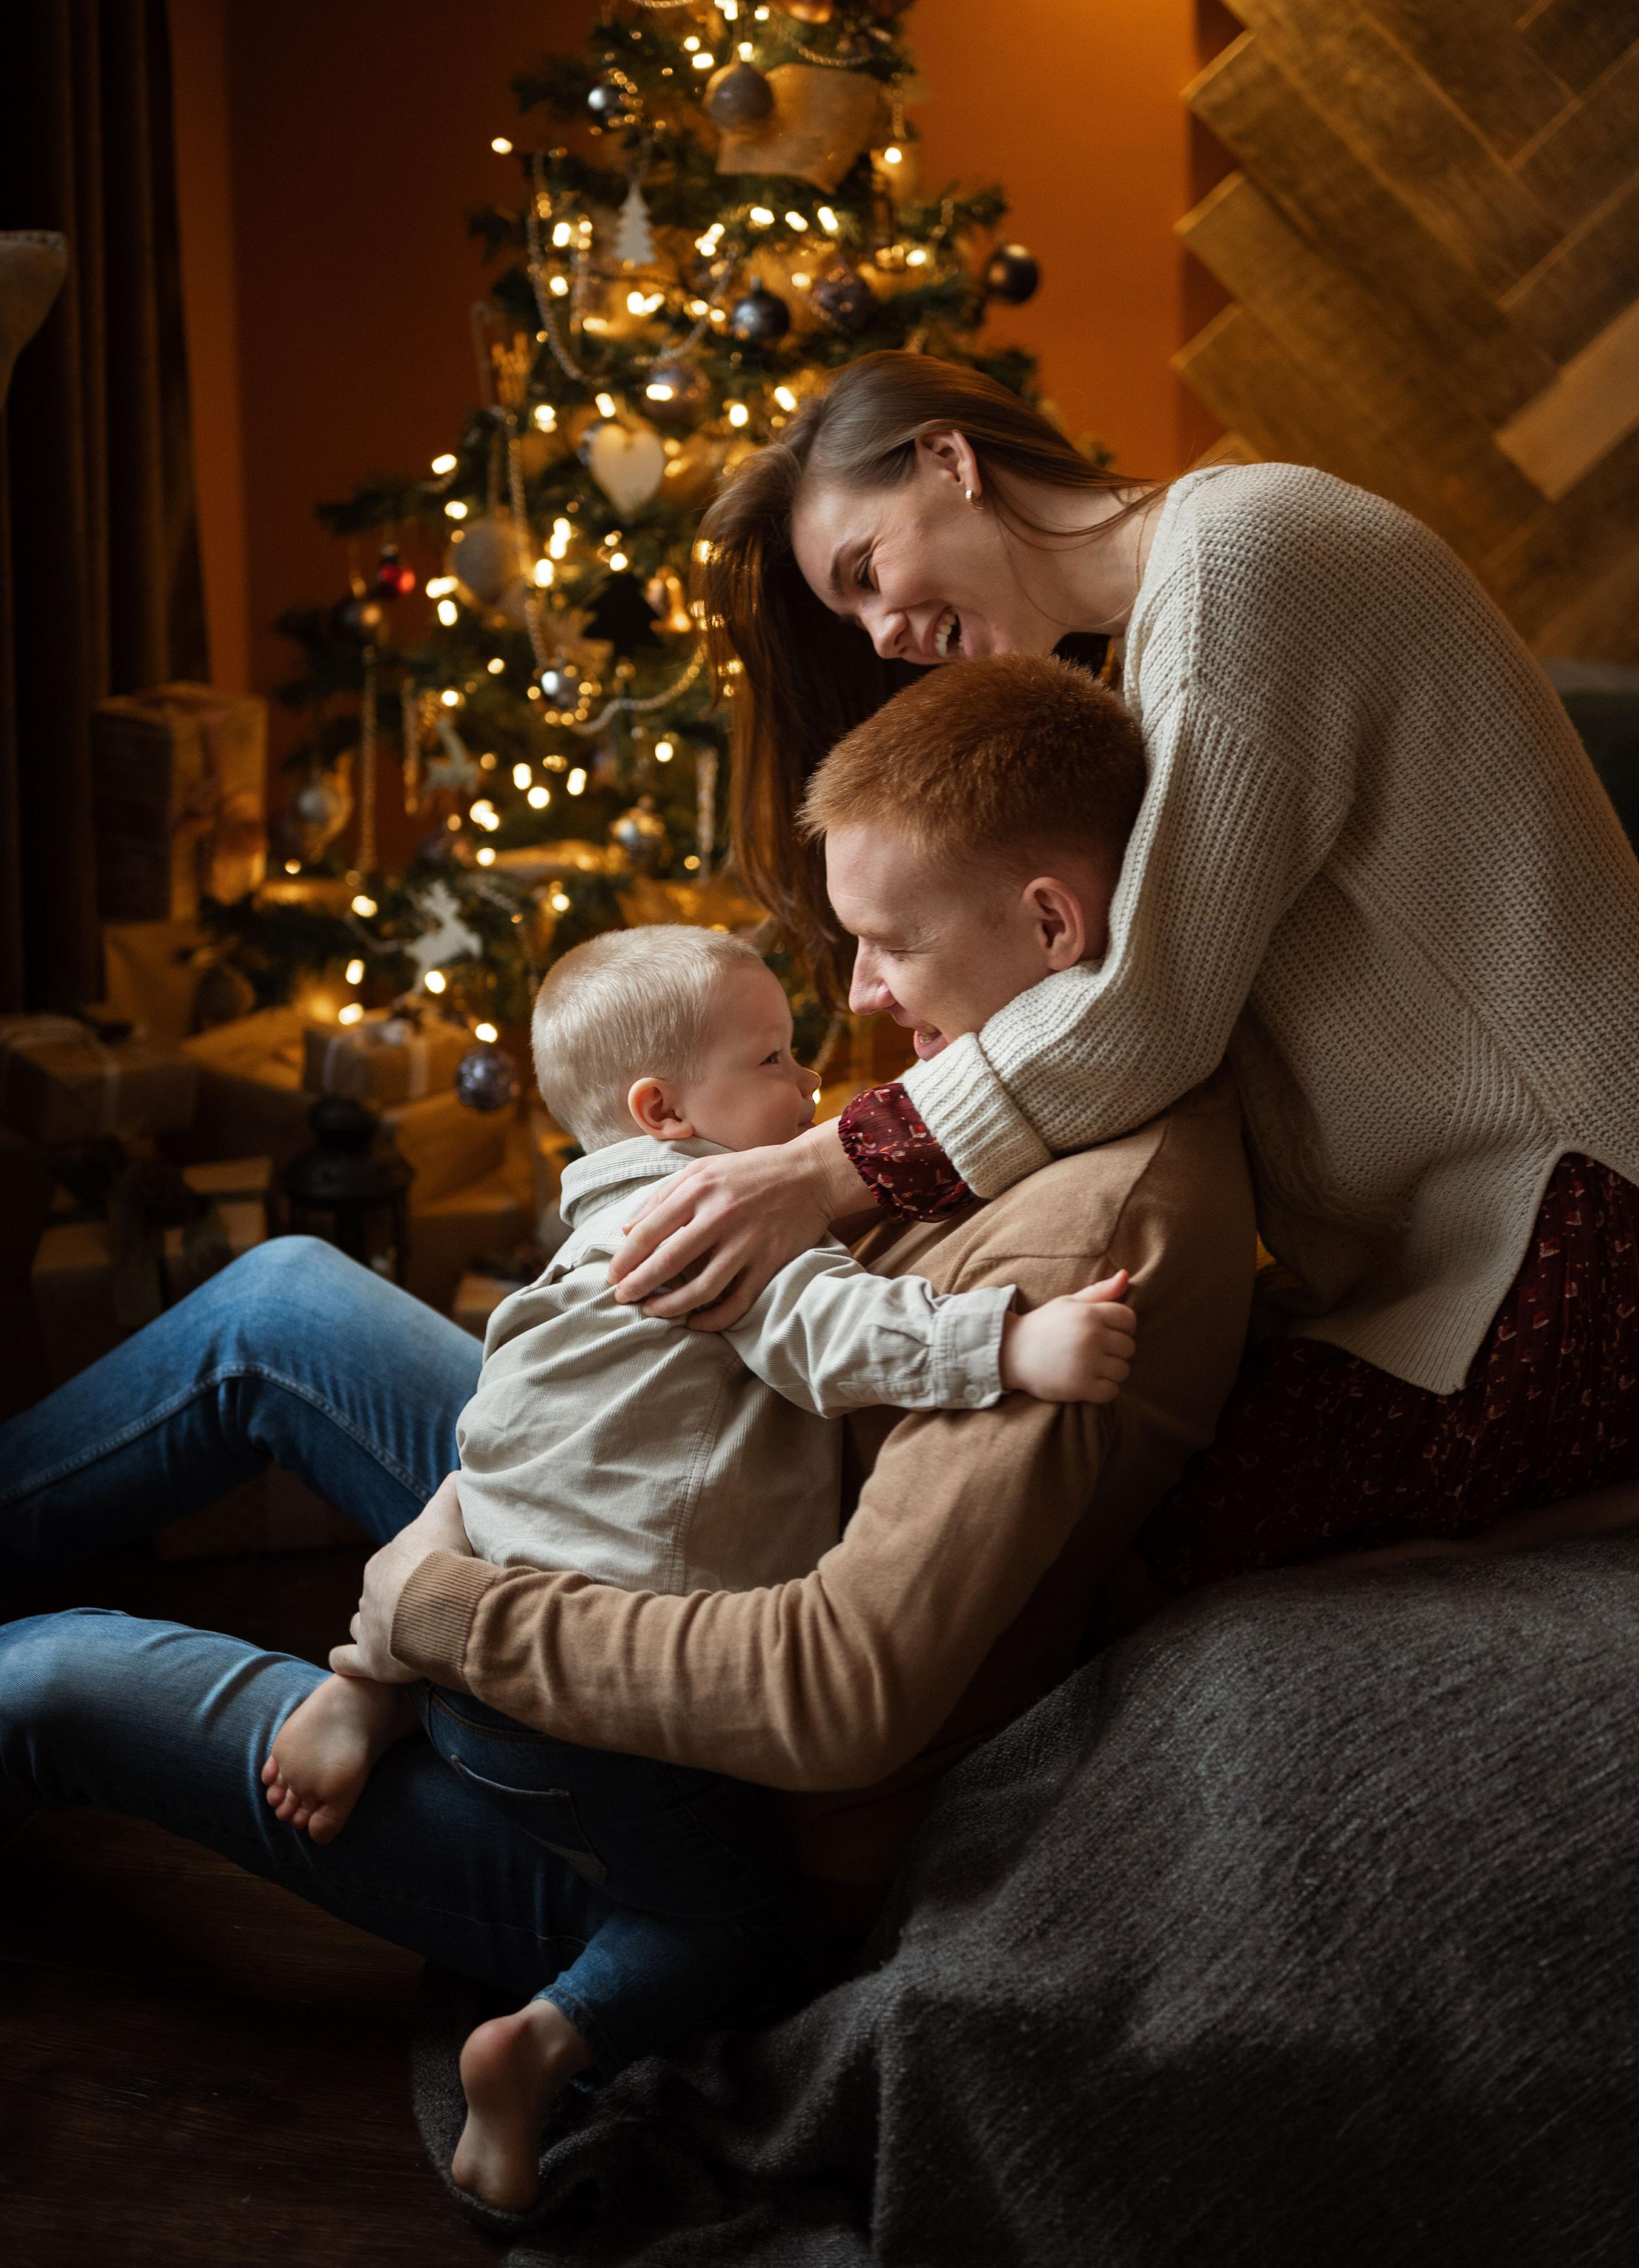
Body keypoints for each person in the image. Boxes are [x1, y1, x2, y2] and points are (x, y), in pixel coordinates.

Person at [0, 655, 1254, 2213]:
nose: (857, 995)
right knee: (282, 1304)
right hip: (682, 1485)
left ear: (1054, 928)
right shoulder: (1016, 1077)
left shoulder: (1083, 1244)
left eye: (885, 943)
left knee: (44, 1674)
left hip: (704, 1820)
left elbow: (840, 1689)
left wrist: (431, 1604)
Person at [605, 350, 1639, 1575]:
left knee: (1126, 1542)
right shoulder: (1157, 638)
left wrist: (809, 1174)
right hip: (1451, 1249)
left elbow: (1141, 1015)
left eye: (867, 571)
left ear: (951, 458)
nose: (883, 636)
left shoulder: (1243, 559)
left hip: (1577, 1228)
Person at [260, 919, 1137, 2205]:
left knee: (490, 1481)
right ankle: (537, 2045)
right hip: (573, 1715)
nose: (809, 1083)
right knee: (732, 1923)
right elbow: (828, 1328)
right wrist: (1008, 1349)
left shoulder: (588, 1222)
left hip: (474, 1612)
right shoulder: (719, 1228)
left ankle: (367, 1680)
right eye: (774, 1057)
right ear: (663, 1110)